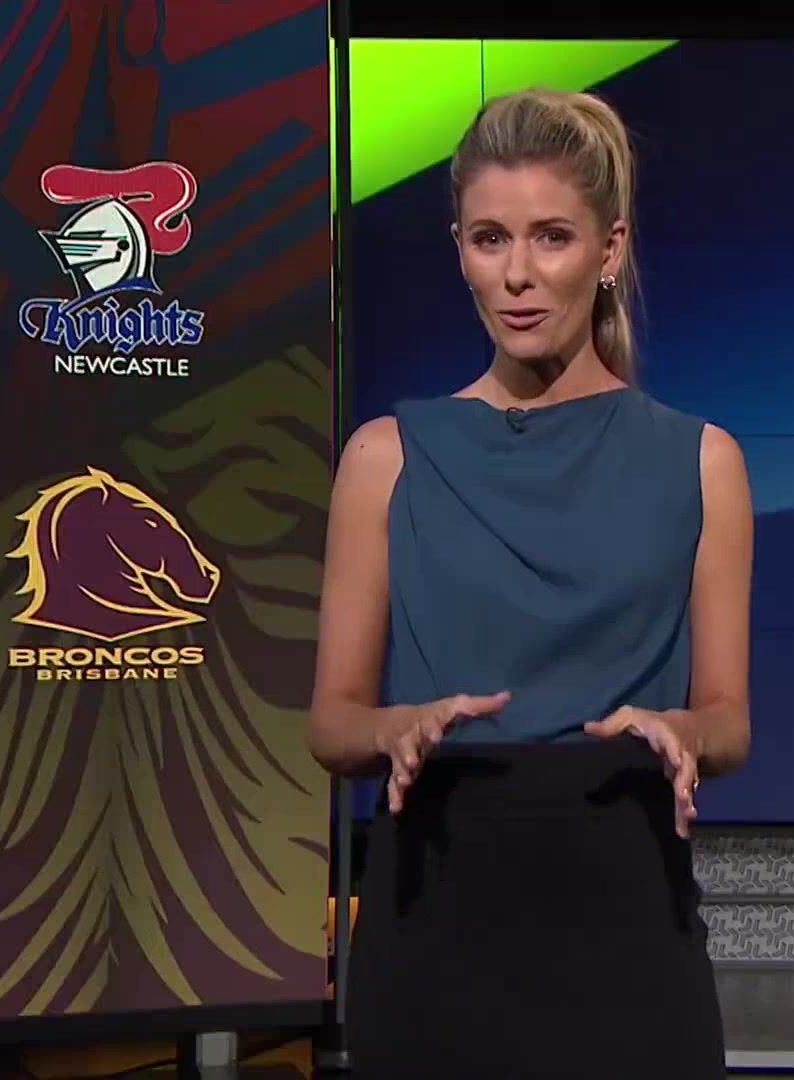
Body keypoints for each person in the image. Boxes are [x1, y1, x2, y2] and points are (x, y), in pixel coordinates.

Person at [307, 87, 752, 1078]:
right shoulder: (386, 457)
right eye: (489, 239)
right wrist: (394, 727)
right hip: (435, 930)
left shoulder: (702, 462)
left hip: (628, 929)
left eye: (551, 237)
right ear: (459, 250)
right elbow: (332, 723)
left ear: (609, 249)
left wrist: (684, 733)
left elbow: (730, 720)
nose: (517, 274)